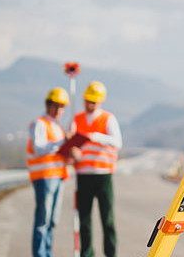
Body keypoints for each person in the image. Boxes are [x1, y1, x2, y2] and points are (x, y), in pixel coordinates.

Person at [70, 81, 122, 257]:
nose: (89, 104)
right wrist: (72, 151)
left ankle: (110, 254)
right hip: (83, 175)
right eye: (87, 100)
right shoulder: (77, 119)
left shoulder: (108, 119)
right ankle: (87, 254)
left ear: (100, 101)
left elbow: (117, 142)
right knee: (84, 220)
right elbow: (71, 144)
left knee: (107, 219)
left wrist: (96, 136)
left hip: (103, 175)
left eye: (93, 101)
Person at [26, 87, 70, 257]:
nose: (59, 110)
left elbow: (58, 152)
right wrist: (61, 142)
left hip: (58, 177)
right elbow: (39, 149)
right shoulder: (39, 123)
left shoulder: (58, 127)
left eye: (62, 107)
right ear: (48, 105)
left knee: (52, 221)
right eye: (56, 106)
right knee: (42, 221)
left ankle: (47, 253)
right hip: (44, 178)